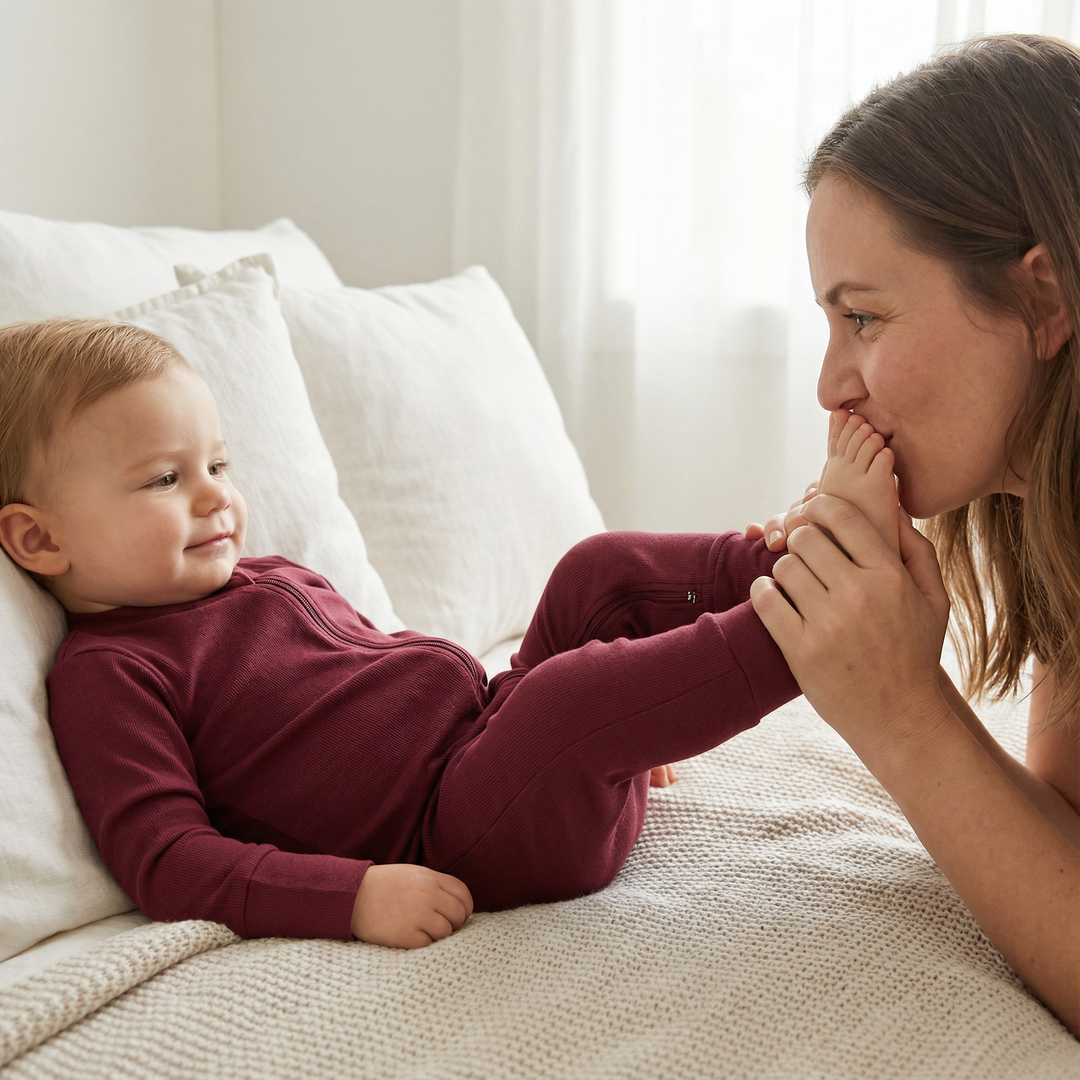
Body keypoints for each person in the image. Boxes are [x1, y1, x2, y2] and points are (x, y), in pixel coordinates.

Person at [0, 316, 880, 953]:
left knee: (594, 572)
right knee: (572, 701)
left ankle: (793, 549)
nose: (214, 497)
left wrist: (616, 728)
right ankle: (830, 612)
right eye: (163, 478)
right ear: (39, 538)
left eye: (218, 465)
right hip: (455, 833)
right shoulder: (108, 673)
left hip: (495, 738)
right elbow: (169, 860)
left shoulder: (260, 576)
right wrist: (353, 897)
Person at [746, 34, 1080, 1035]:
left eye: (866, 320)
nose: (828, 385)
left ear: (1042, 297)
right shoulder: (1054, 531)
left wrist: (900, 708)